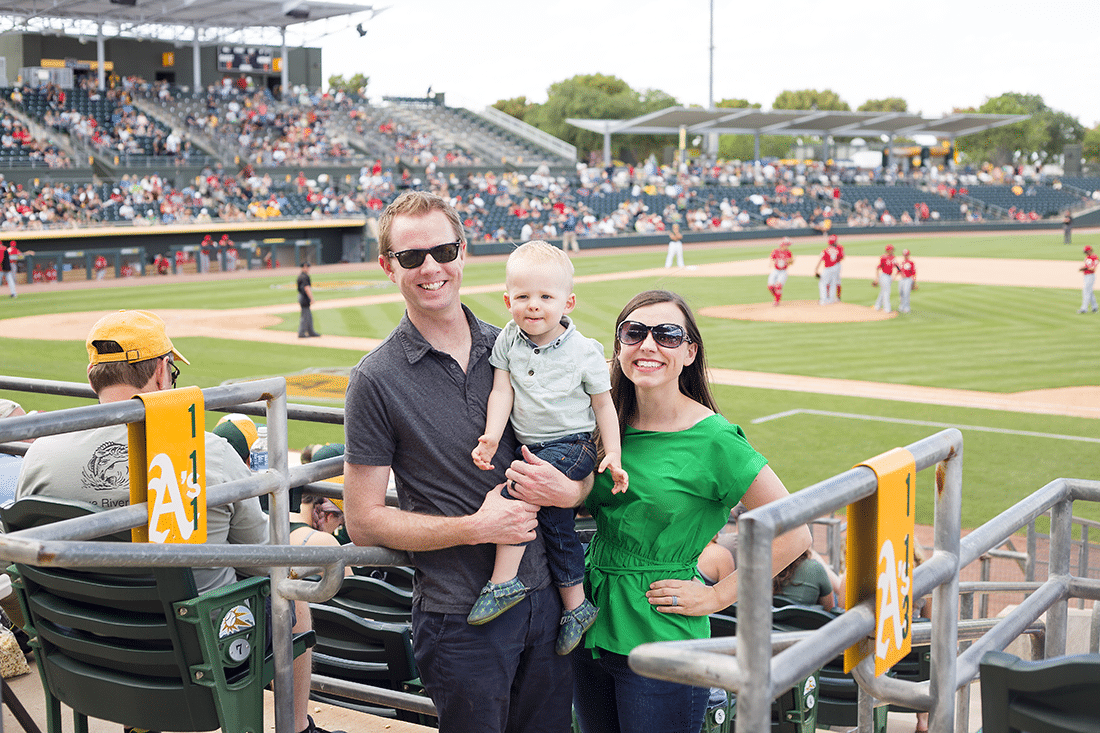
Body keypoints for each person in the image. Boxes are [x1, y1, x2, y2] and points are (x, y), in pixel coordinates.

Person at [15, 310, 334, 733]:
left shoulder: (40, 454)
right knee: (293, 597)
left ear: (93, 374)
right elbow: (268, 561)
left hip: (82, 653)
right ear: (164, 372)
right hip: (196, 660)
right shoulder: (211, 451)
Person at [342, 191, 585, 733]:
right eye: (411, 257)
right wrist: (476, 528)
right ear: (388, 266)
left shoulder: (519, 345)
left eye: (443, 250)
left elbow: (579, 453)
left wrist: (573, 492)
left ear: (463, 252)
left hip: (547, 603)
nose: (431, 268)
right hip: (460, 618)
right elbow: (362, 521)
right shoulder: (376, 379)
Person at [572, 290, 812, 733]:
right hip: (591, 622)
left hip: (662, 632)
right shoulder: (608, 422)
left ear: (689, 351)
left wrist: (718, 596)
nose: (648, 345)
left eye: (667, 334)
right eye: (634, 332)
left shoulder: (715, 440)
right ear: (619, 345)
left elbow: (795, 533)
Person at [469, 240, 627, 655]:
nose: (533, 305)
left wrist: (612, 452)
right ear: (507, 300)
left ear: (568, 302)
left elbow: (603, 406)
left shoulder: (585, 351)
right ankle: (577, 607)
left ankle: (503, 583)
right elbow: (501, 390)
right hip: (535, 445)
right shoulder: (508, 340)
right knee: (558, 529)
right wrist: (490, 434)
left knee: (515, 491)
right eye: (522, 296)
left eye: (545, 296)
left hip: (573, 447)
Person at [814, 235, 842, 304]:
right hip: (835, 267)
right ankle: (831, 300)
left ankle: (823, 300)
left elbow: (820, 260)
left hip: (828, 268)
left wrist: (816, 269)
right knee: (833, 283)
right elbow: (840, 258)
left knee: (822, 284)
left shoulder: (826, 250)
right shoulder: (836, 250)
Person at [767, 236, 794, 306]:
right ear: (782, 244)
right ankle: (776, 297)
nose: (787, 246)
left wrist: (789, 261)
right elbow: (771, 258)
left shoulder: (788, 252)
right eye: (786, 245)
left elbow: (791, 262)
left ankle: (777, 300)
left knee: (778, 286)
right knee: (770, 286)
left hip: (783, 271)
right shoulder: (775, 251)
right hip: (776, 270)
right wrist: (771, 263)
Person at [297, 261, 320, 338]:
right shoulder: (304, 277)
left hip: (302, 297)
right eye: (307, 267)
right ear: (304, 267)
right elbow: (307, 288)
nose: (309, 269)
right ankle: (301, 332)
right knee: (305, 316)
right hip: (304, 297)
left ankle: (311, 331)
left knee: (308, 315)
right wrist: (312, 298)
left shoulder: (301, 276)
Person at [873, 244, 898, 312]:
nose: (893, 251)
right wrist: (877, 278)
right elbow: (878, 268)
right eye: (891, 250)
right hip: (884, 276)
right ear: (888, 250)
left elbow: (897, 267)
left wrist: (894, 276)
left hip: (889, 277)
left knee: (883, 292)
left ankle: (877, 306)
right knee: (887, 292)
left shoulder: (893, 258)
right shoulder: (883, 257)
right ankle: (887, 308)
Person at [1079, 244, 1098, 314]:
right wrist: (1084, 268)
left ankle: (1084, 308)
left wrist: (1084, 268)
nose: (1086, 253)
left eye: (1087, 252)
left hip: (1090, 276)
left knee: (1086, 292)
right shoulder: (1088, 257)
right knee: (1090, 292)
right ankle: (1095, 307)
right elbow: (1087, 266)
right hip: (1086, 275)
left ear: (1090, 250)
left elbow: (1093, 268)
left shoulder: (1094, 257)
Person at [898, 249, 917, 314]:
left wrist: (914, 282)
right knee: (901, 292)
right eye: (904, 255)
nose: (905, 256)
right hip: (902, 279)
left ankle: (907, 307)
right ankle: (902, 306)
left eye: (906, 255)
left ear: (908, 255)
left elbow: (914, 273)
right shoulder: (902, 262)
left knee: (906, 293)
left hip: (908, 279)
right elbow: (899, 271)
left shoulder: (911, 263)